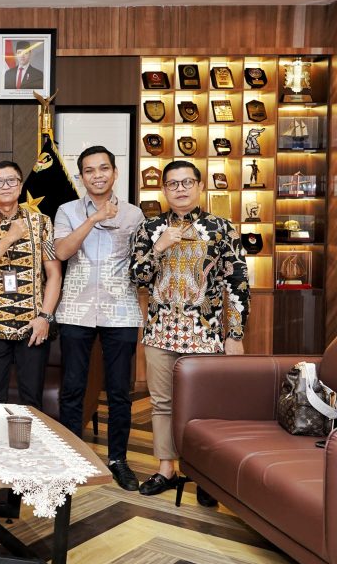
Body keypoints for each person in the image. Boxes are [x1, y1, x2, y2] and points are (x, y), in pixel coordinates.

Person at [130, 159, 249, 499]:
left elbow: (237, 284)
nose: (179, 189)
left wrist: (235, 335)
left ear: (199, 186)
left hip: (206, 333)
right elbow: (137, 277)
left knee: (207, 407)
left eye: (186, 182)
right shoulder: (150, 228)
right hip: (160, 331)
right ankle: (166, 469)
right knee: (161, 403)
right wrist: (158, 248)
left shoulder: (221, 229)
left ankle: (205, 475)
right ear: (164, 189)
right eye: (172, 184)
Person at [53, 146, 144, 491]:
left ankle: (118, 460)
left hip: (121, 310)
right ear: (81, 177)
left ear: (115, 173)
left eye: (103, 168)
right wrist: (93, 219)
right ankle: (71, 457)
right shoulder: (67, 210)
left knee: (119, 391)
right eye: (89, 170)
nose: (97, 175)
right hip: (76, 309)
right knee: (73, 388)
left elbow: (141, 262)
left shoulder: (134, 215)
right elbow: (62, 252)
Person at [0, 161, 61, 408]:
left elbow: (54, 274)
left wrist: (45, 317)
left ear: (20, 186)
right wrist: (9, 238)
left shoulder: (42, 223)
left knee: (32, 400)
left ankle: (31, 437)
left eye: (11, 180)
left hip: (33, 326)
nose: (5, 186)